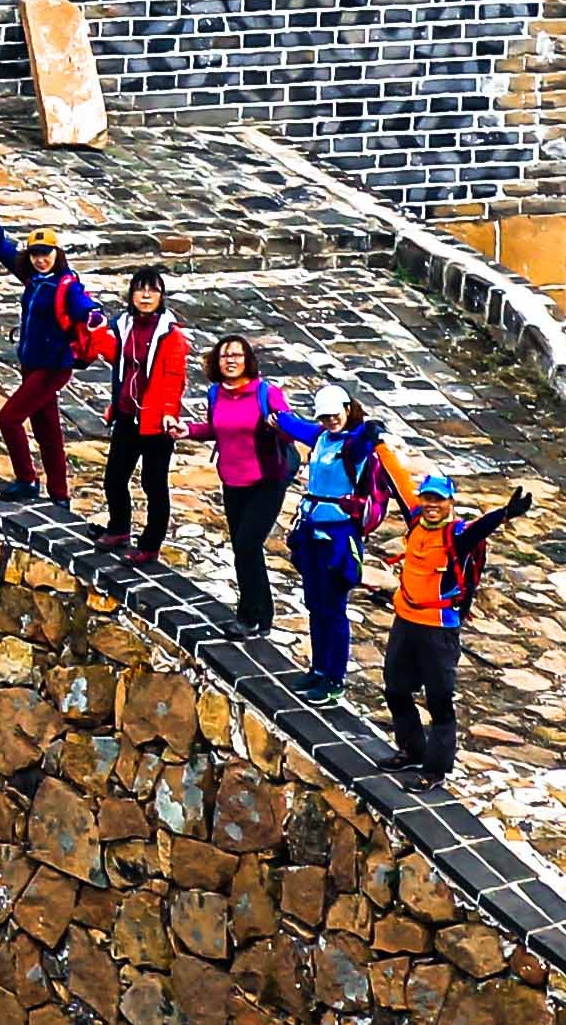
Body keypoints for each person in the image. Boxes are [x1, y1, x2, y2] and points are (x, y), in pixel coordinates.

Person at [383, 471, 537, 783]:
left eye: (438, 499)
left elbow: (480, 528)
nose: (431, 505)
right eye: (427, 498)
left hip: (438, 629)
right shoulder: (415, 522)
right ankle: (412, 750)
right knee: (396, 688)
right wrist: (378, 443)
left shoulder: (457, 535)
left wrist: (505, 513)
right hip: (405, 620)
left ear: (450, 502)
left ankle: (435, 769)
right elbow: (396, 480)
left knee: (439, 698)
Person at [0, 176, 92, 499]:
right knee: (48, 430)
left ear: (56, 253)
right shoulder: (33, 278)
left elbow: (83, 306)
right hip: (32, 363)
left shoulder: (66, 284)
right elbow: (2, 247)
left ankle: (26, 478)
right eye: (35, 253)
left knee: (9, 418)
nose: (40, 258)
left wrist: (94, 314)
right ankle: (60, 495)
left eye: (45, 253)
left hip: (53, 367)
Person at [286, 391, 389, 696]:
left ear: (347, 409)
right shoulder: (321, 437)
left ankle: (335, 678)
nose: (330, 420)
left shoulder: (352, 446)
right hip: (312, 531)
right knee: (315, 604)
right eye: (324, 416)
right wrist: (274, 414)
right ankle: (318, 669)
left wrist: (370, 431)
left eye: (335, 414)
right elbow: (294, 426)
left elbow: (361, 443)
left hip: (339, 537)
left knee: (333, 607)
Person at [92, 265, 195, 562]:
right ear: (132, 294)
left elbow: (175, 378)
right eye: (140, 289)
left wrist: (167, 413)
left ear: (161, 296)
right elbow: (117, 358)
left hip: (156, 422)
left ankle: (150, 545)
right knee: (114, 477)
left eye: (153, 289)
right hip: (126, 414)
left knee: (154, 485)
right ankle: (119, 528)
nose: (146, 295)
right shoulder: (124, 326)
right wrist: (96, 334)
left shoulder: (171, 337)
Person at [199, 335, 294, 635]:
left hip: (266, 482)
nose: (230, 360)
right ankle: (259, 615)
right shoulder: (215, 393)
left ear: (248, 361)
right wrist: (185, 430)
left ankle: (251, 615)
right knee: (244, 549)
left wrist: (280, 427)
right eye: (225, 355)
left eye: (237, 355)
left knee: (247, 544)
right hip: (232, 481)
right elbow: (215, 429)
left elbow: (289, 429)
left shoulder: (266, 393)